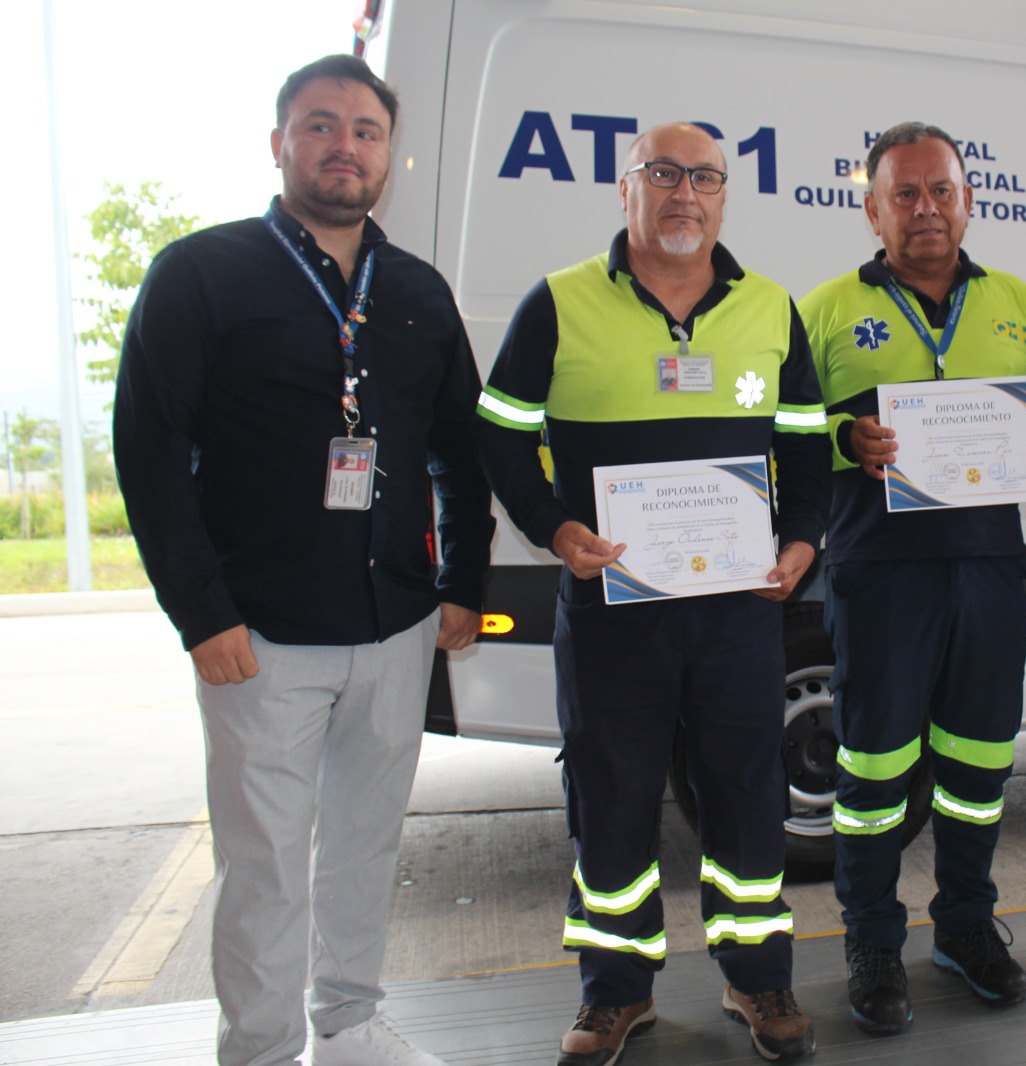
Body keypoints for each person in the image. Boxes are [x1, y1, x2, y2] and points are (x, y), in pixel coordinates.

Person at [113, 56, 493, 1066]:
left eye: (364, 131)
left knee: (364, 848)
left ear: (388, 154)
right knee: (266, 865)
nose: (343, 147)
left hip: (397, 623)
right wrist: (202, 611)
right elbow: (147, 453)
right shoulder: (200, 273)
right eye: (319, 126)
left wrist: (462, 581)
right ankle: (264, 1048)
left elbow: (459, 447)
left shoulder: (415, 289)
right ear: (279, 143)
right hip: (259, 632)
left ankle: (350, 1022)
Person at [474, 122, 830, 1065]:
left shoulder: (772, 308)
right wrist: (554, 527)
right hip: (609, 614)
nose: (684, 193)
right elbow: (499, 434)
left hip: (737, 613)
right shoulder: (557, 304)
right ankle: (615, 993)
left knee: (748, 796)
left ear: (723, 196)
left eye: (703, 177)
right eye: (663, 174)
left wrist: (801, 539)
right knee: (611, 796)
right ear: (625, 189)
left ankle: (757, 978)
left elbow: (805, 445)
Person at [798, 121, 1026, 1033]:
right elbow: (786, 433)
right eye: (905, 194)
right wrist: (844, 437)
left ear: (969, 199)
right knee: (874, 772)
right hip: (879, 572)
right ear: (872, 207)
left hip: (993, 568)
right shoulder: (827, 307)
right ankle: (872, 940)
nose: (926, 209)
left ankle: (964, 924)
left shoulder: (1017, 303)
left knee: (979, 764)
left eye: (942, 190)